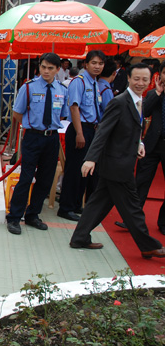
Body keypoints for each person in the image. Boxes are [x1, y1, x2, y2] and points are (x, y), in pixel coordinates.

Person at [69, 63, 165, 259]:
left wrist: (139, 144)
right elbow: (103, 131)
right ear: (128, 78)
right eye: (136, 79)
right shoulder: (119, 102)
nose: (140, 83)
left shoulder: (139, 100)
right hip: (117, 165)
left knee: (98, 203)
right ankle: (148, 246)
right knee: (133, 208)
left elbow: (133, 128)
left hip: (120, 162)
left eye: (144, 80)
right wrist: (91, 159)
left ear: (150, 81)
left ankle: (79, 237)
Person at [6, 53, 68, 235]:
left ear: (58, 70)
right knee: (26, 177)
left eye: (50, 68)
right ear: (39, 67)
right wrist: (31, 124)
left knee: (45, 178)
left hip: (52, 138)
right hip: (33, 137)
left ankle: (33, 215)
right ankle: (14, 217)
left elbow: (63, 114)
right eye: (43, 67)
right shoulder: (29, 87)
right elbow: (17, 113)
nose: (46, 71)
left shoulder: (62, 90)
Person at [116, 61, 165, 236]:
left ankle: (163, 222)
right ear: (160, 75)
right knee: (141, 183)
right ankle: (131, 219)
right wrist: (158, 93)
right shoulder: (152, 93)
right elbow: (144, 112)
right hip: (152, 144)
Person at [57, 51, 105, 222]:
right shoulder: (79, 82)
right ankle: (66, 207)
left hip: (91, 129)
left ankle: (77, 204)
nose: (97, 66)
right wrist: (79, 133)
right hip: (80, 129)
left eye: (100, 63)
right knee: (74, 170)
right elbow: (74, 107)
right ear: (86, 64)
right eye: (94, 63)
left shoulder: (95, 83)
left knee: (85, 171)